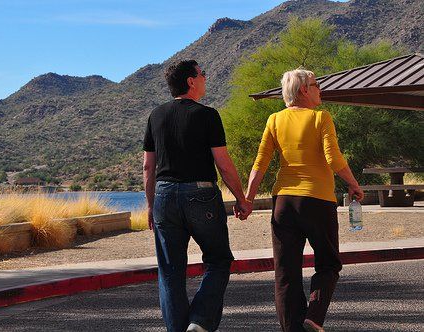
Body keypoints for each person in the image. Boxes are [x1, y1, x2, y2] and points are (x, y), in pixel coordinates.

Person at [245, 69, 364, 332]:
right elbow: (333, 158)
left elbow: (260, 163)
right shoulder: (320, 118)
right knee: (329, 263)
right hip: (317, 201)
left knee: (286, 273)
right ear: (303, 90)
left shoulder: (274, 120)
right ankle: (314, 316)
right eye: (316, 84)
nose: (320, 89)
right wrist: (353, 183)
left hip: (284, 203)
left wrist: (248, 199)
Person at [143, 60, 252, 332]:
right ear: (191, 81)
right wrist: (241, 198)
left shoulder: (155, 116)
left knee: (170, 271)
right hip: (201, 194)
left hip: (165, 197)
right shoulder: (208, 115)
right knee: (218, 260)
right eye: (203, 74)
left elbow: (148, 167)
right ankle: (201, 321)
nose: (206, 77)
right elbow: (223, 164)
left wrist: (150, 205)